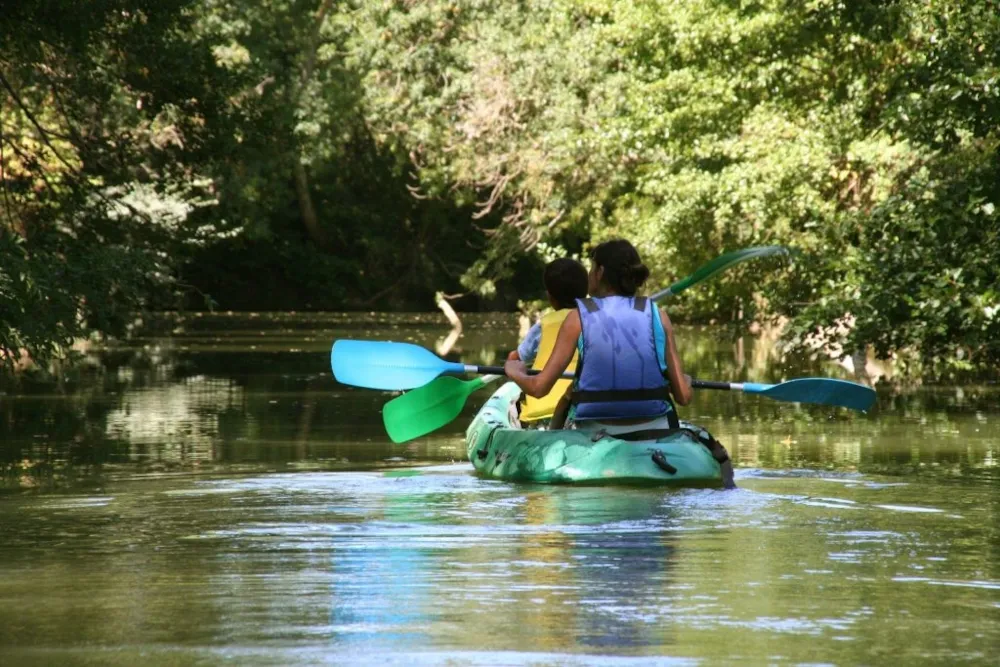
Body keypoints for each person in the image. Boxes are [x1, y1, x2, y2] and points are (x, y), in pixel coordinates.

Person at [504, 239, 692, 433]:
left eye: (592, 267)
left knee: (567, 401)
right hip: (656, 426)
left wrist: (514, 370)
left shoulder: (578, 317)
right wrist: (685, 381)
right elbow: (684, 397)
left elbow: (539, 388)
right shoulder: (658, 316)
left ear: (600, 272)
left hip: (595, 428)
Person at [508, 257, 589, 423]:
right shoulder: (594, 323)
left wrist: (512, 366)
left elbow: (515, 359)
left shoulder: (543, 327)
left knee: (512, 406)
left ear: (550, 297)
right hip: (580, 413)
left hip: (541, 414)